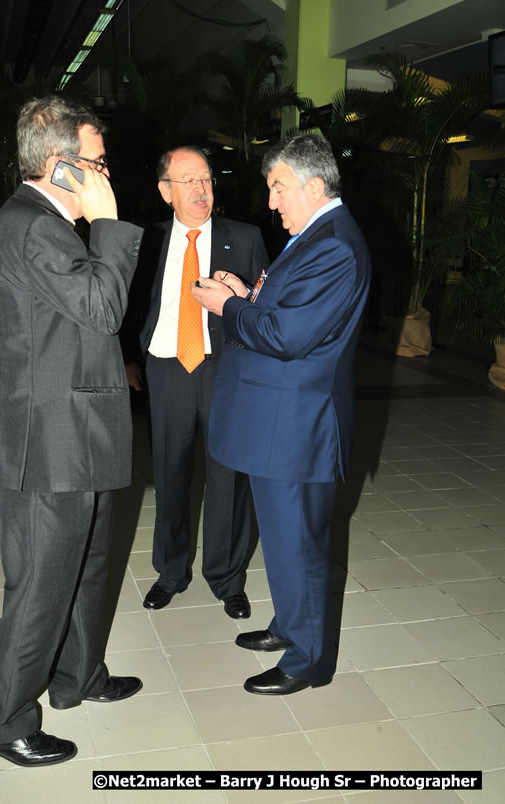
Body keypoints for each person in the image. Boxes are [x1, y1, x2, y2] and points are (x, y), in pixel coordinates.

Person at [0, 95, 144, 767]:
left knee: (87, 565)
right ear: (61, 166)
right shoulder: (35, 227)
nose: (106, 174)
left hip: (75, 431)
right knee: (42, 584)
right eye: (97, 163)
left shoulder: (35, 224)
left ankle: (77, 676)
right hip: (48, 446)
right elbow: (103, 308)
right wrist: (109, 223)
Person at [192, 133, 371, 694]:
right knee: (285, 537)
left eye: (278, 188)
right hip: (280, 422)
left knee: (302, 543)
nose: (271, 202)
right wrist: (246, 293)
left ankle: (309, 660)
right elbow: (287, 313)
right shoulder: (314, 234)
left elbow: (287, 336)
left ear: (314, 186)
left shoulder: (336, 245)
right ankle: (292, 626)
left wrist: (228, 307)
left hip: (298, 427)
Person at [123, 146, 268, 617]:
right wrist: (130, 358)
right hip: (167, 368)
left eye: (206, 179)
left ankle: (226, 578)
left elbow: (264, 309)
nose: (201, 190)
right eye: (188, 181)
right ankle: (170, 572)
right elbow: (128, 308)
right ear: (166, 191)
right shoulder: (146, 242)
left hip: (223, 369)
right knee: (169, 474)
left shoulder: (244, 239)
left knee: (228, 475)